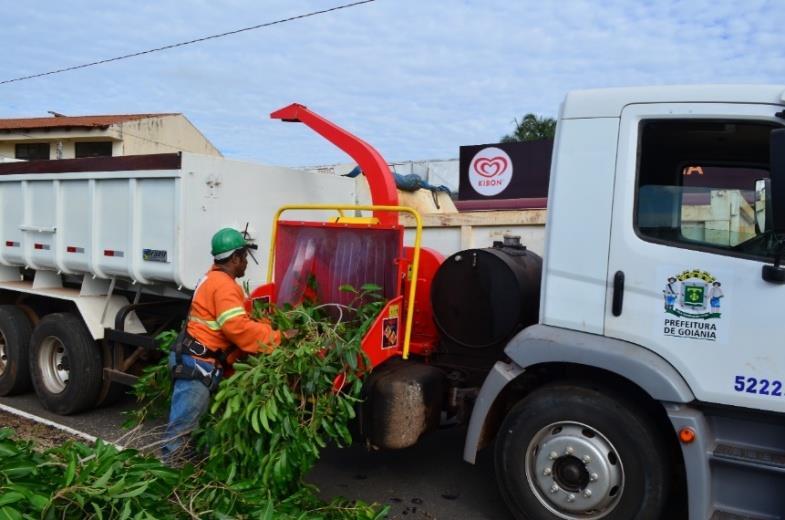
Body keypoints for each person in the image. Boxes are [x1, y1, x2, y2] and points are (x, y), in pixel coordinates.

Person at [162, 227, 284, 460]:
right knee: (180, 432)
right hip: (198, 365)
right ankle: (170, 479)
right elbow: (237, 328)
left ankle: (189, 472)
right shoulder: (224, 286)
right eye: (245, 258)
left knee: (195, 428)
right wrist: (277, 336)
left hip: (194, 359)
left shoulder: (212, 277)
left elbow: (231, 321)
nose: (246, 264)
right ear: (235, 258)